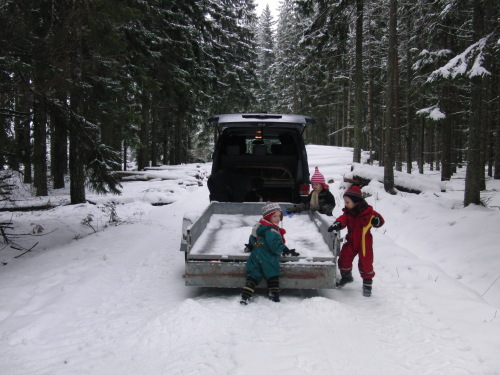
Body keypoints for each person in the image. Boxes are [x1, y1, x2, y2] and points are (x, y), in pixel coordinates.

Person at [328, 185, 384, 297]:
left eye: (347, 202)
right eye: (345, 202)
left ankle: (367, 284)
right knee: (344, 258)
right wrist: (338, 223)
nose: (345, 204)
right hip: (351, 241)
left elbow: (379, 219)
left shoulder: (368, 213)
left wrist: (377, 221)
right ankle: (346, 277)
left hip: (364, 243)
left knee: (366, 263)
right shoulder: (348, 213)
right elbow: (343, 219)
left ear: (356, 202)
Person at [240, 202, 294, 305]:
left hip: (255, 256)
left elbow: (253, 238)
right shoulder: (271, 230)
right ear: (268, 217)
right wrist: (284, 249)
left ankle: (245, 296)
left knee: (253, 275)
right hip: (268, 257)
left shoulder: (259, 227)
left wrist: (251, 246)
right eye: (274, 216)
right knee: (272, 274)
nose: (278, 218)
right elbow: (274, 245)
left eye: (279, 216)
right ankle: (274, 293)